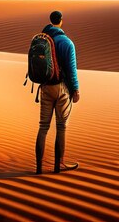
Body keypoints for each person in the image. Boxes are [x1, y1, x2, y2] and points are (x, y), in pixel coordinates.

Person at [35, 10, 80, 174]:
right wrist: (75, 89)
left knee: (43, 127)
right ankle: (57, 165)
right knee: (61, 127)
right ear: (61, 21)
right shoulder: (67, 43)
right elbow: (71, 69)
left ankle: (39, 166)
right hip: (61, 88)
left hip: (45, 87)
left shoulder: (42, 38)